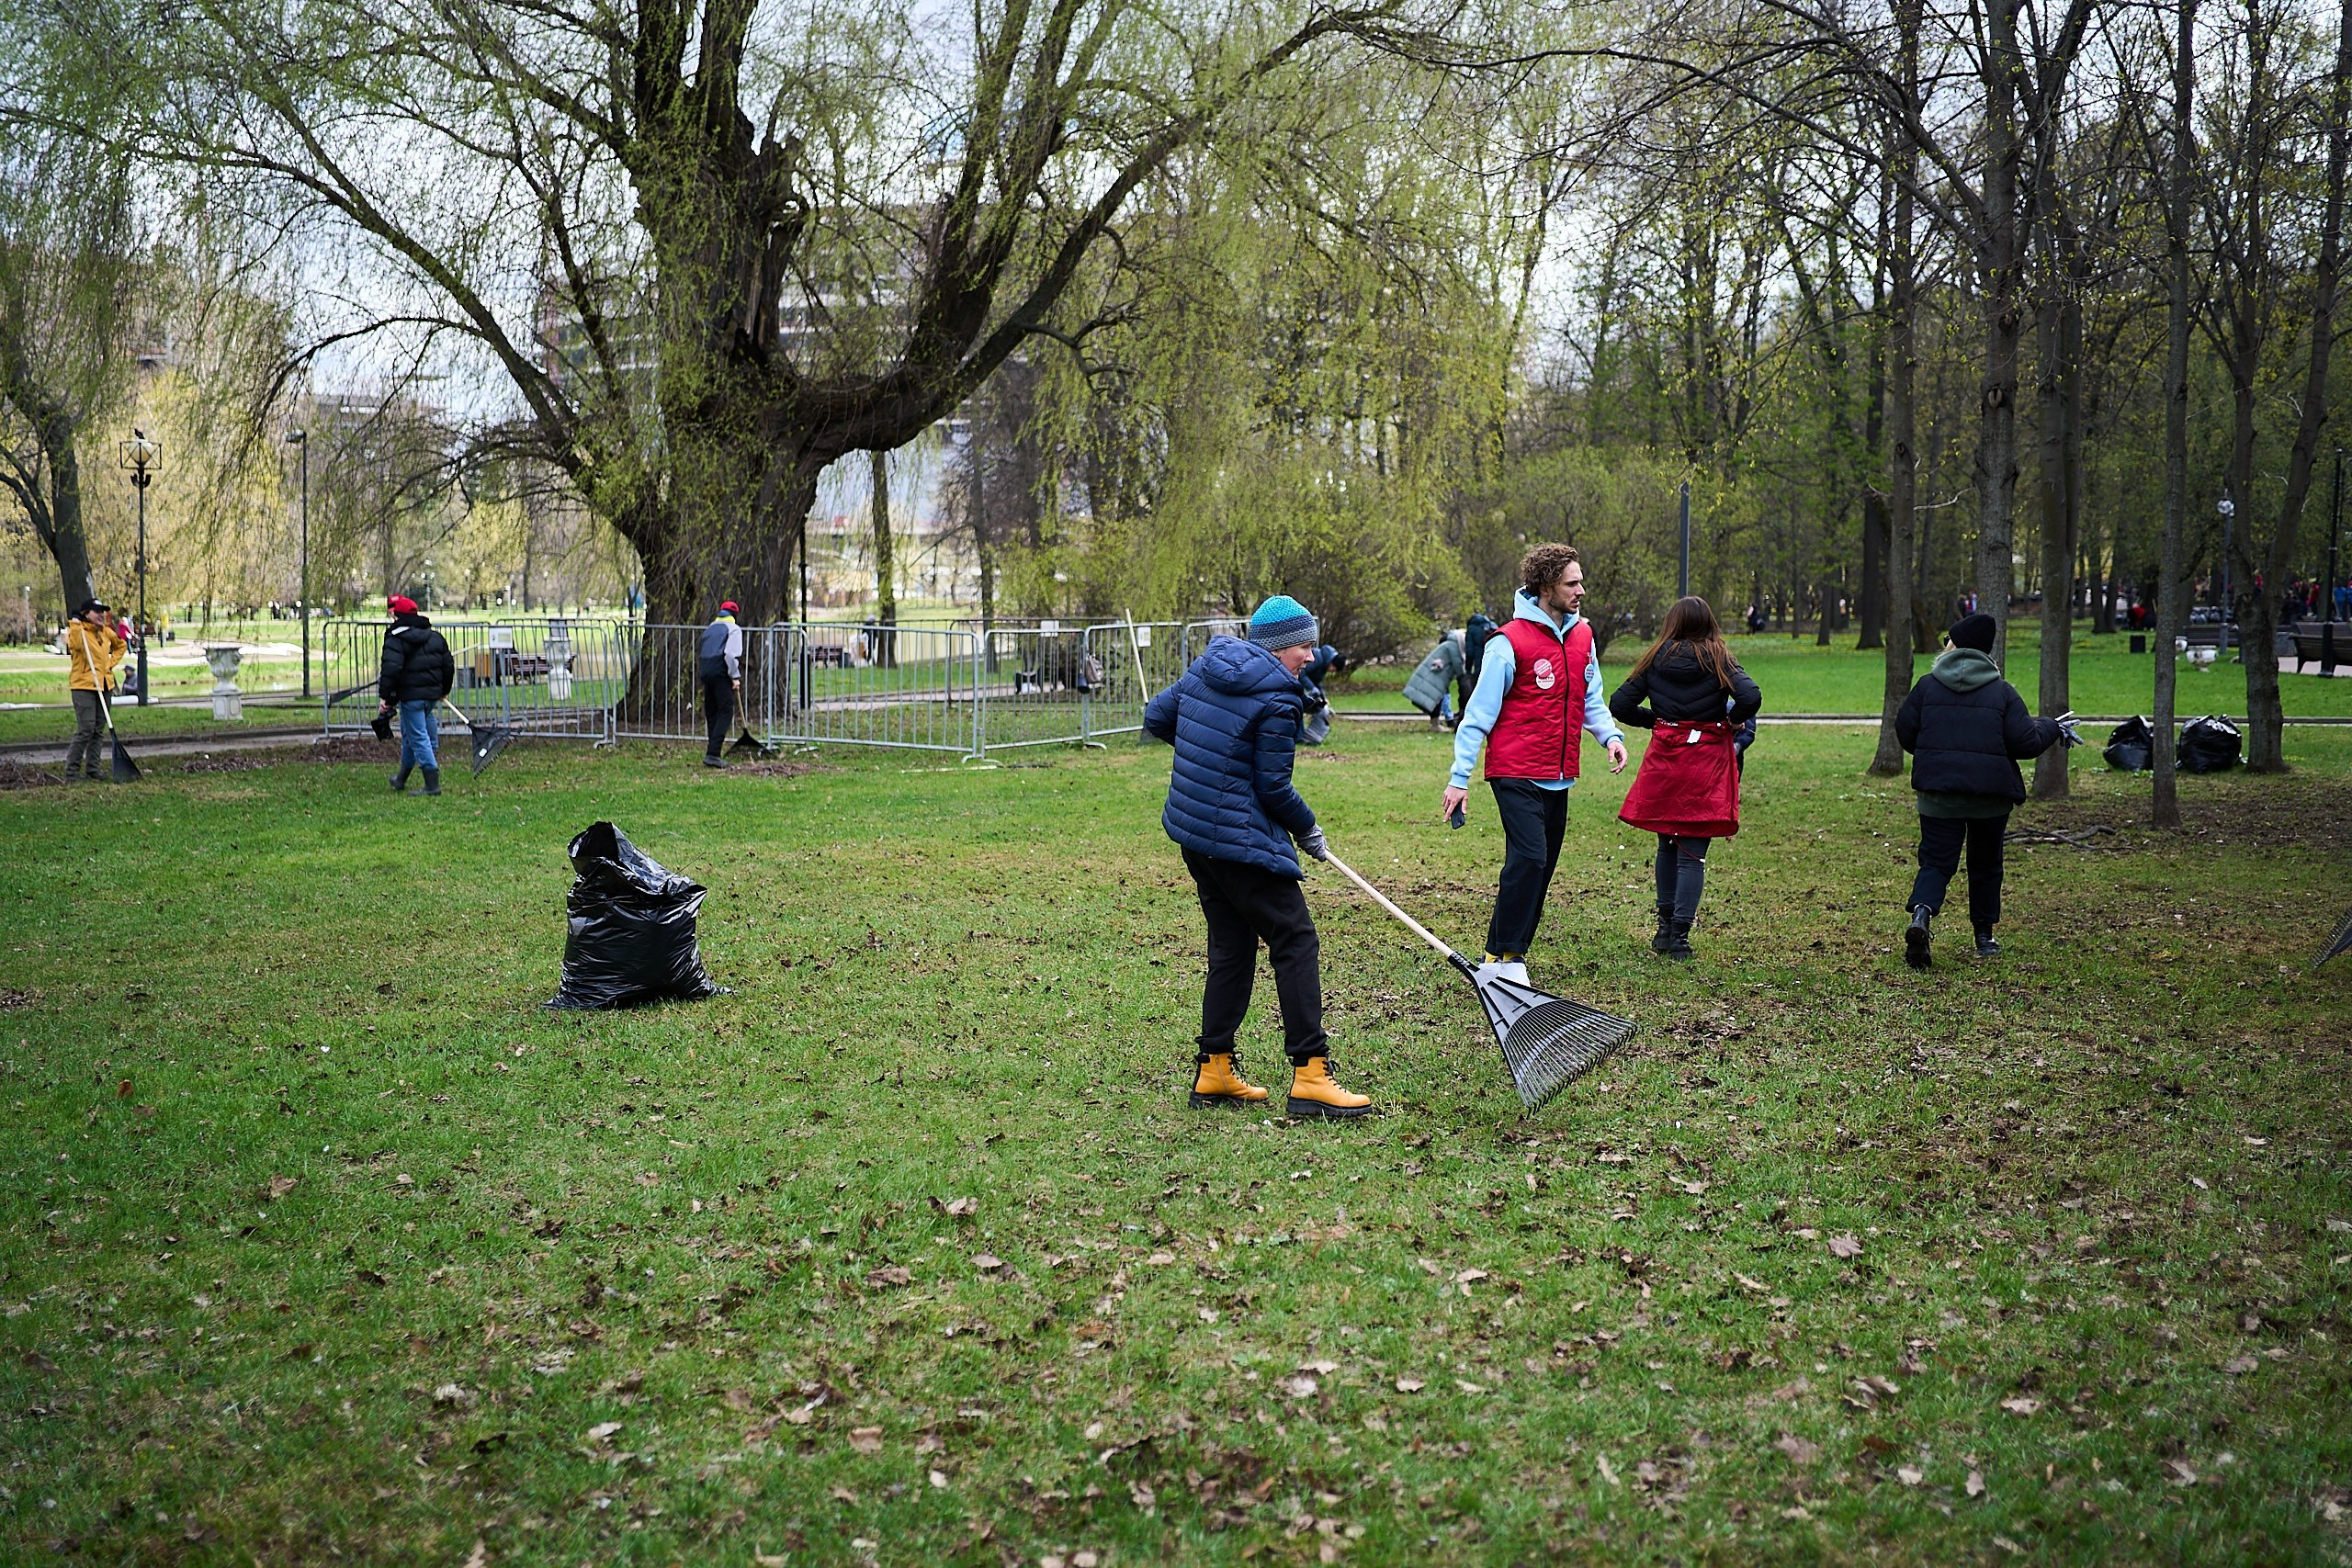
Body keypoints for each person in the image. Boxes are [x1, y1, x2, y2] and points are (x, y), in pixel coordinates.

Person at [1143, 594, 1371, 1121]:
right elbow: (1273, 789)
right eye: (1304, 646)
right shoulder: (1280, 699)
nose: (1311, 657)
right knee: (1294, 937)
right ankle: (1312, 1074)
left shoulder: (1209, 667)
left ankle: (1214, 1067)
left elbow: (1158, 717)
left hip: (1194, 834)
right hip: (1236, 840)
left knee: (1233, 943)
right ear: (1278, 646)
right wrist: (1309, 830)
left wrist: (1211, 753)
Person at [1441, 545, 1628, 983]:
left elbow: (1591, 698)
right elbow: (1477, 716)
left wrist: (1611, 737)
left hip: (1559, 775)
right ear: (1545, 587)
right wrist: (1459, 778)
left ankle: (1512, 956)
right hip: (1515, 771)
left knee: (1541, 866)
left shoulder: (1584, 637)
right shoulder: (1508, 643)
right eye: (1571, 583)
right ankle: (1498, 956)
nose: (1581, 590)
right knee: (1529, 857)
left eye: (1581, 581)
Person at [1894, 612, 2069, 967]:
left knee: (1936, 863)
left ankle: (1921, 917)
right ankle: (1984, 938)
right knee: (1986, 865)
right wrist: (2052, 726)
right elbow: (2025, 743)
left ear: (1954, 646)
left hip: (1938, 796)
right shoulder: (2003, 692)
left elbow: (1905, 731)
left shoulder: (1927, 686)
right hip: (1990, 799)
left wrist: (1935, 756)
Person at [1607, 597, 1763, 960]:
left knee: (1667, 844)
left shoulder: (1655, 657)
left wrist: (1657, 721)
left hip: (1667, 754)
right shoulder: (1718, 656)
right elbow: (1751, 695)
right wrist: (1730, 720)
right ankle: (1680, 936)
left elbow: (1620, 704)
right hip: (1705, 758)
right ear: (1708, 622)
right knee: (1693, 852)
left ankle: (1663, 930)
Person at [377, 594, 455, 795]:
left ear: (396, 616)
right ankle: (401, 778)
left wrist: (386, 699)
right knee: (412, 736)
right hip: (430, 697)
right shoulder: (435, 637)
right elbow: (448, 666)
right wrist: (444, 689)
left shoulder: (395, 639)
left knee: (418, 737)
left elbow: (390, 671)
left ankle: (432, 784)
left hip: (411, 697)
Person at [62, 599, 126, 783]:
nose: (101, 615)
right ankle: (72, 771)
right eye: (96, 611)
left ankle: (93, 768)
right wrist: (74, 623)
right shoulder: (79, 631)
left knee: (98, 729)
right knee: (86, 728)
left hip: (104, 685)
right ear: (86, 614)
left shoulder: (106, 632)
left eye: (102, 611)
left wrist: (110, 664)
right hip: (84, 686)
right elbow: (74, 646)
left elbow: (121, 646)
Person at [699, 600, 743, 768]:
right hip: (721, 671)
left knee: (712, 711)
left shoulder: (710, 628)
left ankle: (712, 751)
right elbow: (730, 655)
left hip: (706, 670)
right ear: (734, 615)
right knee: (726, 710)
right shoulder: (734, 629)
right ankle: (713, 753)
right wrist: (734, 676)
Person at [1401, 628, 1464, 729]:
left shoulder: (1450, 644)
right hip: (1437, 677)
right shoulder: (1454, 646)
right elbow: (1458, 665)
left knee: (1436, 698)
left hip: (1436, 675)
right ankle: (1435, 725)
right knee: (1436, 699)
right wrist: (1464, 676)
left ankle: (1435, 723)